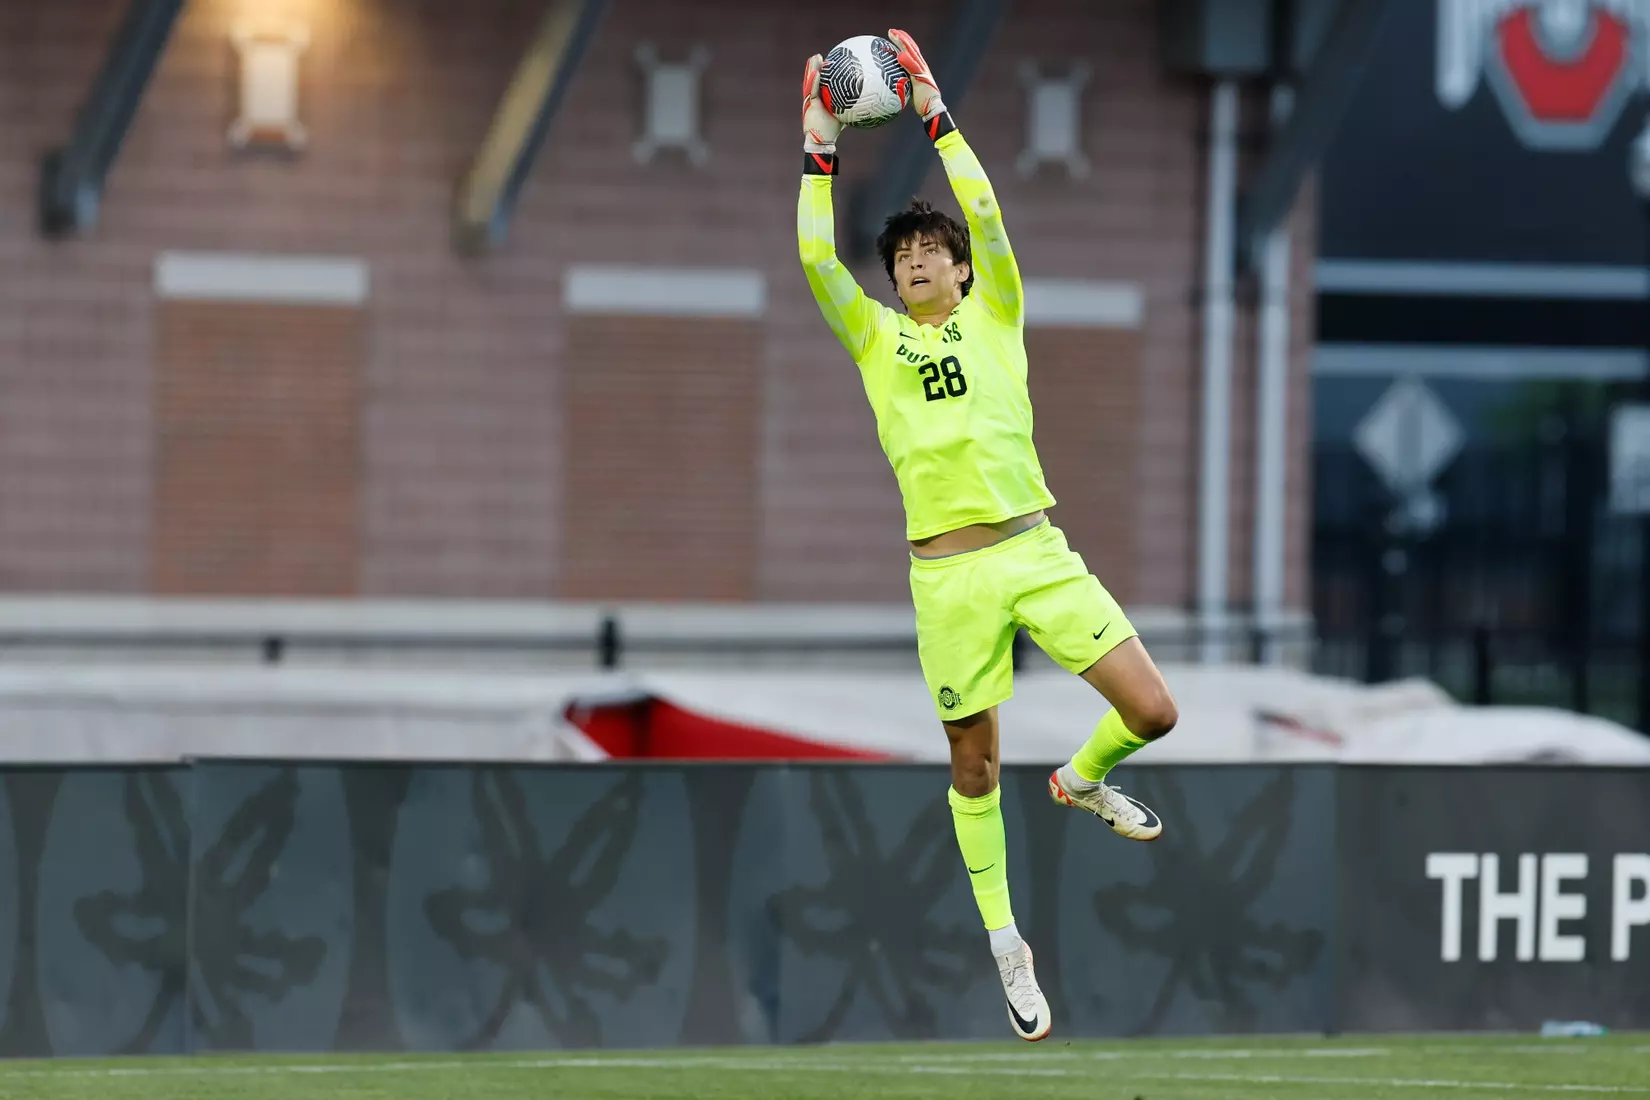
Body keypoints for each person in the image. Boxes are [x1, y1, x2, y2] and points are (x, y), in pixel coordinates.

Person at [797, 30, 1180, 1041]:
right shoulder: (878, 340)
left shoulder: (998, 312)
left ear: (964, 272)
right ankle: (1007, 941)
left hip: (1037, 551)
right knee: (972, 768)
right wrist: (818, 144)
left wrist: (934, 112)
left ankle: (1083, 776)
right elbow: (810, 254)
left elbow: (991, 215)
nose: (919, 261)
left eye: (934, 253)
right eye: (904, 257)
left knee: (1154, 706)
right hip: (949, 580)